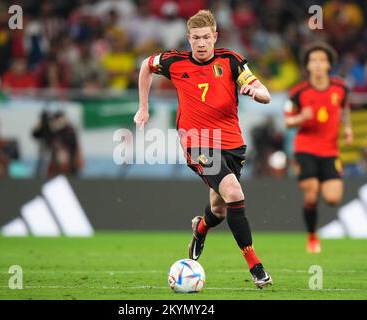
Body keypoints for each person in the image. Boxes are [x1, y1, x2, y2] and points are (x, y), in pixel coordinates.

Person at [134, 10, 272, 288]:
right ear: (188, 38)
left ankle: (200, 228)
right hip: (196, 142)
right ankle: (255, 265)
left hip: (233, 145)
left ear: (215, 37)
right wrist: (143, 107)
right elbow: (146, 66)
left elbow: (265, 93)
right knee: (234, 191)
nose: (200, 43)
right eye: (195, 38)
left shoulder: (230, 61)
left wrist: (256, 93)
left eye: (206, 37)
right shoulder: (174, 62)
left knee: (220, 209)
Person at [284, 42, 353, 253]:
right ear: (307, 66)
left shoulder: (340, 88)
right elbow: (287, 121)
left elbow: (345, 107)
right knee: (311, 193)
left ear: (329, 65)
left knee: (333, 199)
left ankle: (321, 178)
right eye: (313, 60)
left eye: (322, 60)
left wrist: (348, 127)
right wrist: (300, 118)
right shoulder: (298, 92)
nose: (317, 64)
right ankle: (312, 237)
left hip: (330, 150)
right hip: (305, 148)